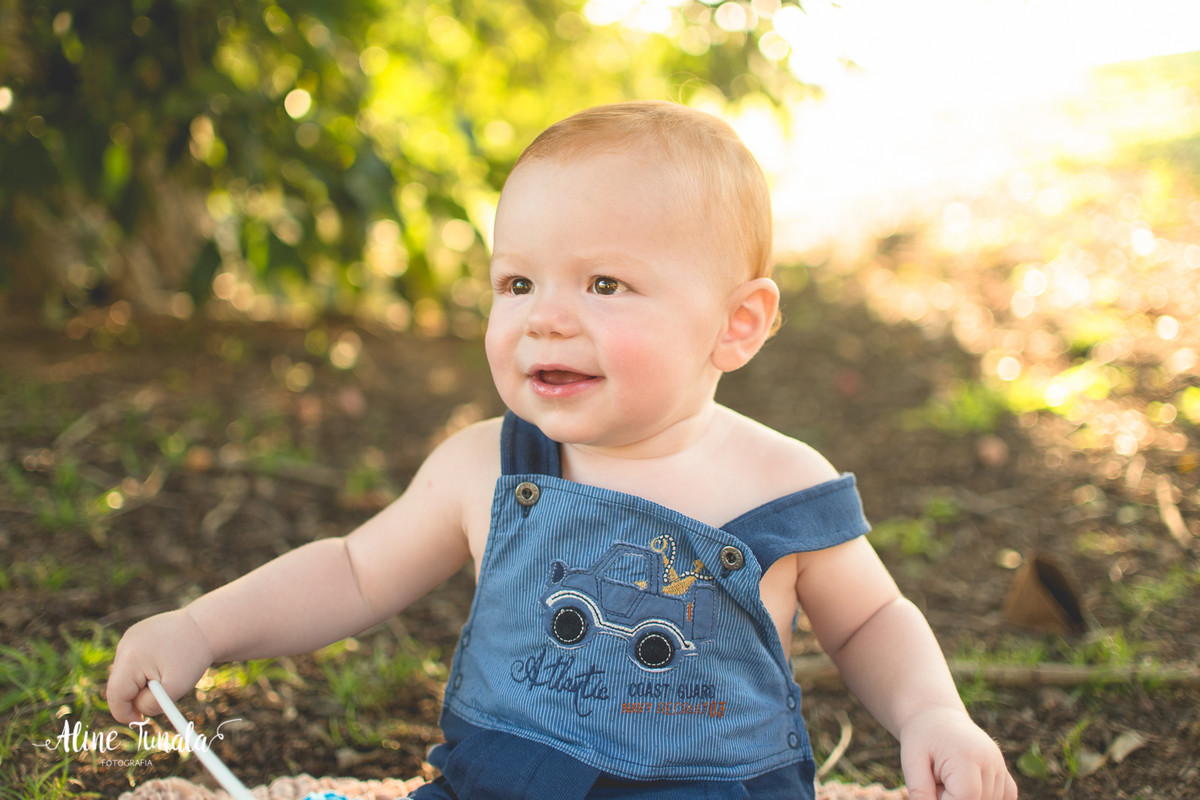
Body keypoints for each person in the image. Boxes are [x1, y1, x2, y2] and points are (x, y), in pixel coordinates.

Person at [107, 101, 1018, 800]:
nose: (545, 315)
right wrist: (202, 629)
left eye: (605, 282)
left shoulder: (779, 482)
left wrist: (932, 713)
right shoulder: (484, 467)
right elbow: (351, 572)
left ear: (737, 325)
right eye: (518, 280)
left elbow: (867, 622)